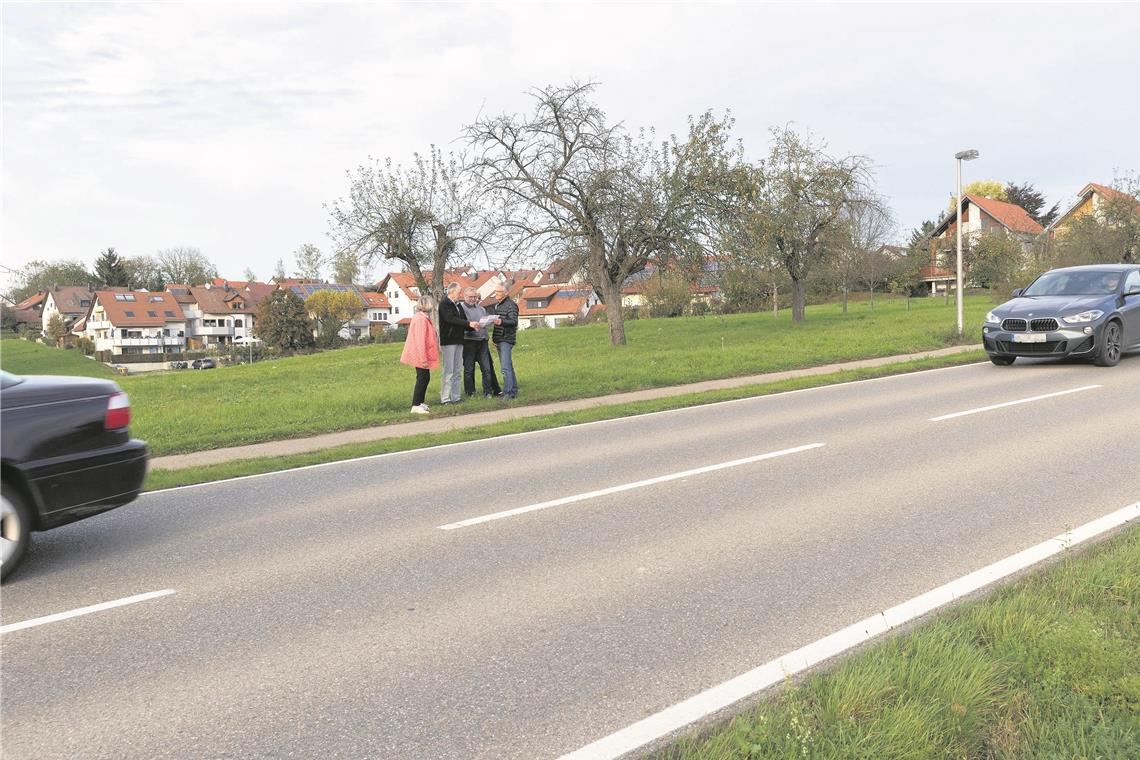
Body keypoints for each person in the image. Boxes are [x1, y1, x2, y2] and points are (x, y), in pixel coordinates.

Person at [399, 295, 439, 414]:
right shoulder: (421, 319)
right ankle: (415, 405)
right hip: (419, 354)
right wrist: (423, 359)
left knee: (425, 377)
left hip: (421, 353)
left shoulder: (422, 317)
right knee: (422, 378)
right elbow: (420, 340)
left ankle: (420, 402)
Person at [438, 282, 477, 405]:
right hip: (449, 341)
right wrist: (468, 324)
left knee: (457, 370)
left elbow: (463, 321)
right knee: (448, 370)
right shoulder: (444, 304)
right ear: (452, 291)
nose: (460, 295)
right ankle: (445, 398)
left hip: (459, 340)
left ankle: (456, 397)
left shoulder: (458, 305)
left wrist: (474, 326)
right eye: (459, 292)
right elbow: (450, 319)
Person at [459, 287, 502, 397]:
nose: (473, 299)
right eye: (470, 297)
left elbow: (485, 322)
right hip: (469, 341)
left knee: (486, 368)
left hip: (482, 341)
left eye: (475, 297)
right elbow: (461, 324)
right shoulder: (461, 309)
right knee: (469, 369)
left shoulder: (481, 309)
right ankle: (470, 393)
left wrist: (489, 322)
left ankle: (488, 392)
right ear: (464, 297)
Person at [490, 284, 519, 399]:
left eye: (499, 292)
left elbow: (513, 322)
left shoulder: (511, 305)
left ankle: (508, 393)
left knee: (505, 367)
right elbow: (497, 325)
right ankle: (513, 390)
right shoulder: (498, 305)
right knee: (508, 366)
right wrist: (494, 338)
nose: (496, 293)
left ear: (506, 293)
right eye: (496, 291)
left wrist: (501, 322)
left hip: (507, 339)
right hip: (499, 339)